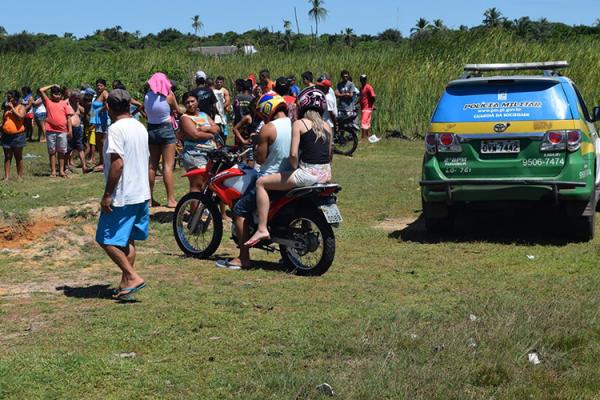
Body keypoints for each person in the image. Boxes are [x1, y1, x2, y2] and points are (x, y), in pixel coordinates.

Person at [245, 87, 332, 247]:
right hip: (326, 176)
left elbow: (293, 155)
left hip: (306, 175)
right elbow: (329, 155)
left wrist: (294, 168)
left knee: (261, 183)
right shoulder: (327, 126)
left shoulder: (299, 123)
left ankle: (262, 228)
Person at [217, 93, 292, 270]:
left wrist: (258, 142)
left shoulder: (268, 128)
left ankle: (244, 257)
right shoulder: (293, 123)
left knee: (239, 211)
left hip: (269, 178)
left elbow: (260, 159)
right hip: (289, 178)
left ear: (267, 108)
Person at [96, 88, 150, 300]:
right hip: (141, 192)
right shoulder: (140, 127)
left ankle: (131, 275)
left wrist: (108, 194)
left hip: (123, 195)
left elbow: (118, 164)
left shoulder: (116, 130)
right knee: (128, 241)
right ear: (129, 105)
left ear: (108, 107)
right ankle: (126, 285)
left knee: (105, 239)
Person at [144, 72, 179, 208]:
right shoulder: (169, 97)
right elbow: (177, 109)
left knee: (152, 166)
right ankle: (170, 199)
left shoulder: (147, 96)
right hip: (166, 128)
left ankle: (150, 199)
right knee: (168, 166)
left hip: (151, 129)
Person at [179, 91, 220, 192]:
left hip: (210, 153)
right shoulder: (185, 118)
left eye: (192, 101)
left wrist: (204, 128)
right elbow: (195, 135)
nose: (190, 104)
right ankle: (195, 207)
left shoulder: (203, 114)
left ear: (197, 101)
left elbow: (217, 128)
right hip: (194, 154)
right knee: (197, 184)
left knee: (211, 183)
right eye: (187, 102)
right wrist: (211, 134)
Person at [39, 84, 73, 178]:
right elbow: (41, 90)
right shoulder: (48, 102)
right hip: (50, 131)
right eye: (55, 94)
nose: (57, 96)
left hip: (62, 131)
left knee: (62, 151)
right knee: (52, 151)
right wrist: (52, 85)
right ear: (51, 94)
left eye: (59, 94)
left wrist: (70, 130)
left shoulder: (64, 103)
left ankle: (61, 171)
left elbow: (68, 118)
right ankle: (53, 171)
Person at [1, 90, 26, 181]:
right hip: (6, 135)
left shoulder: (21, 107)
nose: (8, 99)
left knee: (18, 156)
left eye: (10, 97)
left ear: (15, 98)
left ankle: (19, 176)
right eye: (7, 97)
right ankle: (7, 176)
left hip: (18, 135)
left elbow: (21, 117)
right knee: (7, 156)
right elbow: (4, 120)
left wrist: (13, 108)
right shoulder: (6, 108)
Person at [90, 79, 110, 170]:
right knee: (98, 142)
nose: (99, 87)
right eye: (97, 85)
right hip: (96, 121)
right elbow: (93, 109)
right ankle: (101, 161)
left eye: (101, 85)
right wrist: (92, 119)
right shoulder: (96, 95)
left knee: (103, 142)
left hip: (103, 121)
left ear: (104, 86)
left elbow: (108, 103)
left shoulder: (105, 93)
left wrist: (102, 110)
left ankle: (105, 162)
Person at [67, 90, 88, 173]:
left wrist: (84, 104)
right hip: (70, 128)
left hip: (78, 128)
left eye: (78, 98)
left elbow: (84, 111)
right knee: (69, 148)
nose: (77, 100)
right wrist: (69, 130)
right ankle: (66, 165)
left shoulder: (77, 104)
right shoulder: (66, 103)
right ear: (71, 97)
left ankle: (84, 166)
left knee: (80, 147)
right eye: (76, 98)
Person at [213, 76, 231, 144]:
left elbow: (227, 101)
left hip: (222, 113)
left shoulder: (224, 90)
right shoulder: (213, 90)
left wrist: (220, 108)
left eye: (221, 82)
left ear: (223, 83)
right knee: (215, 129)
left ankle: (224, 143)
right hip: (214, 114)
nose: (219, 83)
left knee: (224, 131)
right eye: (218, 82)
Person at [358, 74, 376, 140]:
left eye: (364, 79)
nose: (363, 80)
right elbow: (361, 98)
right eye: (362, 79)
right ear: (360, 80)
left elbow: (373, 97)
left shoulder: (368, 87)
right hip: (363, 108)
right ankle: (368, 137)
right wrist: (356, 103)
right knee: (367, 123)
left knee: (363, 122)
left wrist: (372, 105)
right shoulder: (361, 88)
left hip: (367, 108)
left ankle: (363, 138)